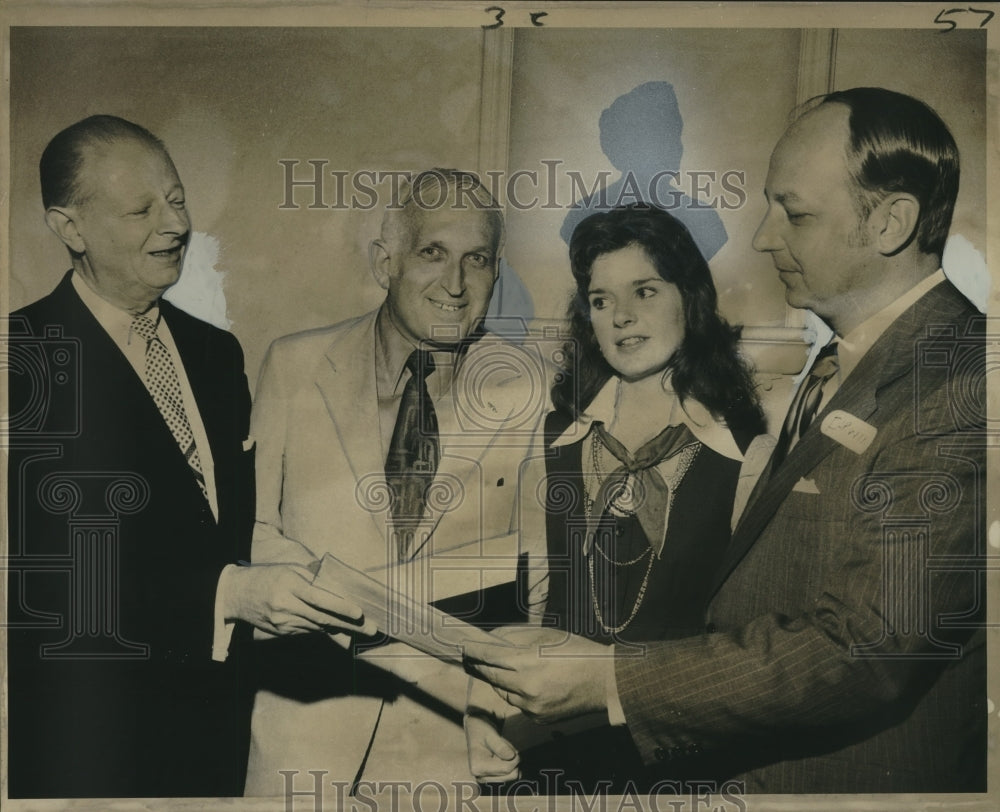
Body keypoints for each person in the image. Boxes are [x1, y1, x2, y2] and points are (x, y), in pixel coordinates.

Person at [465, 87, 986, 793]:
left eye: (794, 212)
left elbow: (866, 650)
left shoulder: (957, 381)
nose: (764, 237)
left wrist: (608, 678)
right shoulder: (844, 365)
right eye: (599, 299)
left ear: (891, 221)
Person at [5, 115, 366, 798]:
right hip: (87, 752)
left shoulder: (214, 351)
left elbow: (220, 525)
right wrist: (229, 594)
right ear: (69, 228)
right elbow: (44, 588)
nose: (174, 224)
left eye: (176, 198)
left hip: (213, 738)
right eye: (142, 208)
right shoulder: (21, 361)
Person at [245, 169, 548, 794]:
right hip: (303, 734)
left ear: (497, 272)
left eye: (478, 260)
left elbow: (537, 575)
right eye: (432, 252)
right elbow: (255, 531)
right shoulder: (293, 365)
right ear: (385, 260)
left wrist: (494, 705)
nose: (457, 284)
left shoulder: (531, 388)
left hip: (452, 745)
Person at [466, 203, 767, 792]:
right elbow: (529, 612)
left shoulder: (748, 458)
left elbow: (751, 653)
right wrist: (482, 708)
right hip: (548, 763)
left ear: (690, 299)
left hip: (683, 769)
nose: (622, 318)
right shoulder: (552, 443)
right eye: (602, 301)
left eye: (645, 292)